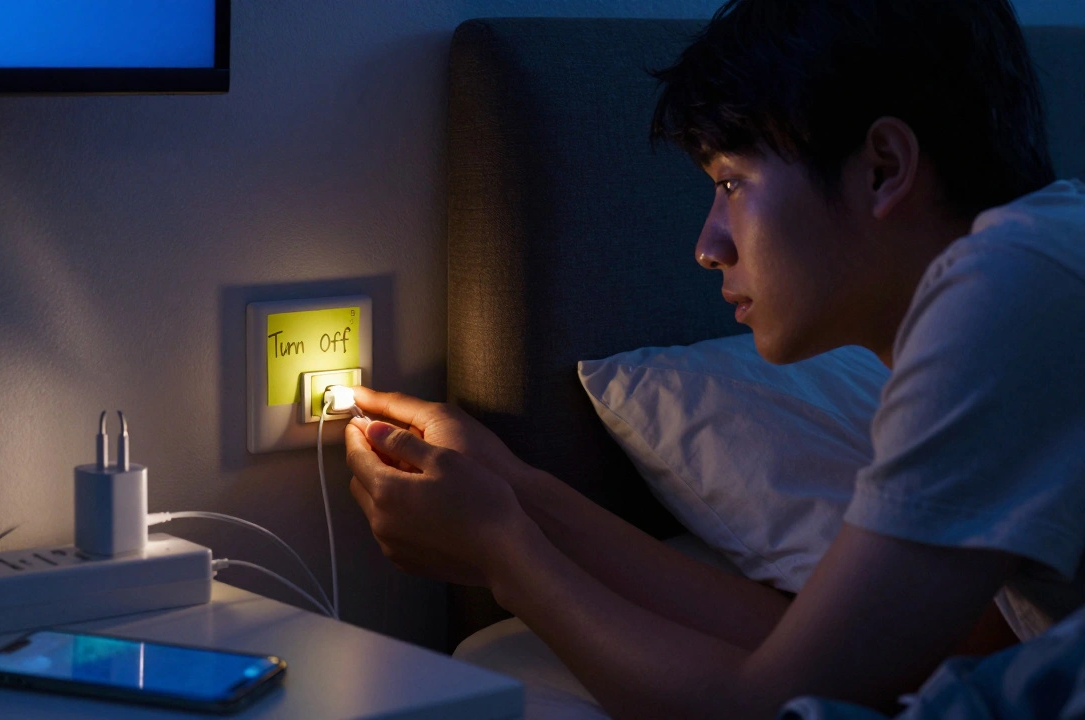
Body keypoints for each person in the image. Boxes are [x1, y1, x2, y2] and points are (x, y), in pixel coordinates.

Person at [344, 0, 1085, 717]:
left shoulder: (1006, 294)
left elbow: (773, 706)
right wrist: (518, 489)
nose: (707, 246)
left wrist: (503, 557)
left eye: (731, 183)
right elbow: (893, 659)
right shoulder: (1045, 263)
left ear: (883, 167)